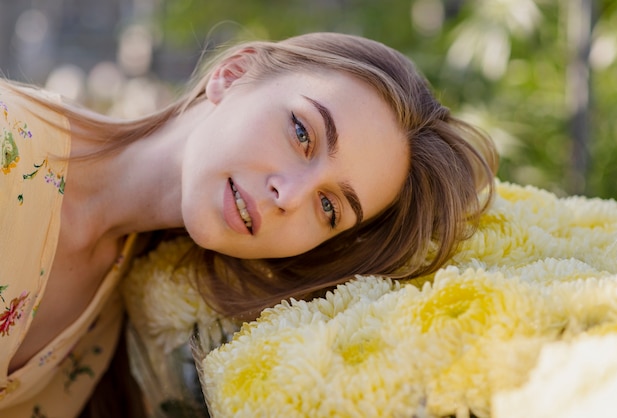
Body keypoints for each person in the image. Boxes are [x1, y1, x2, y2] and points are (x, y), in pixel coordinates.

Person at [0, 32, 497, 417]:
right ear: (233, 73)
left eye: (329, 208)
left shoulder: (119, 309)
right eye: (303, 132)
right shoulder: (10, 145)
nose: (292, 195)